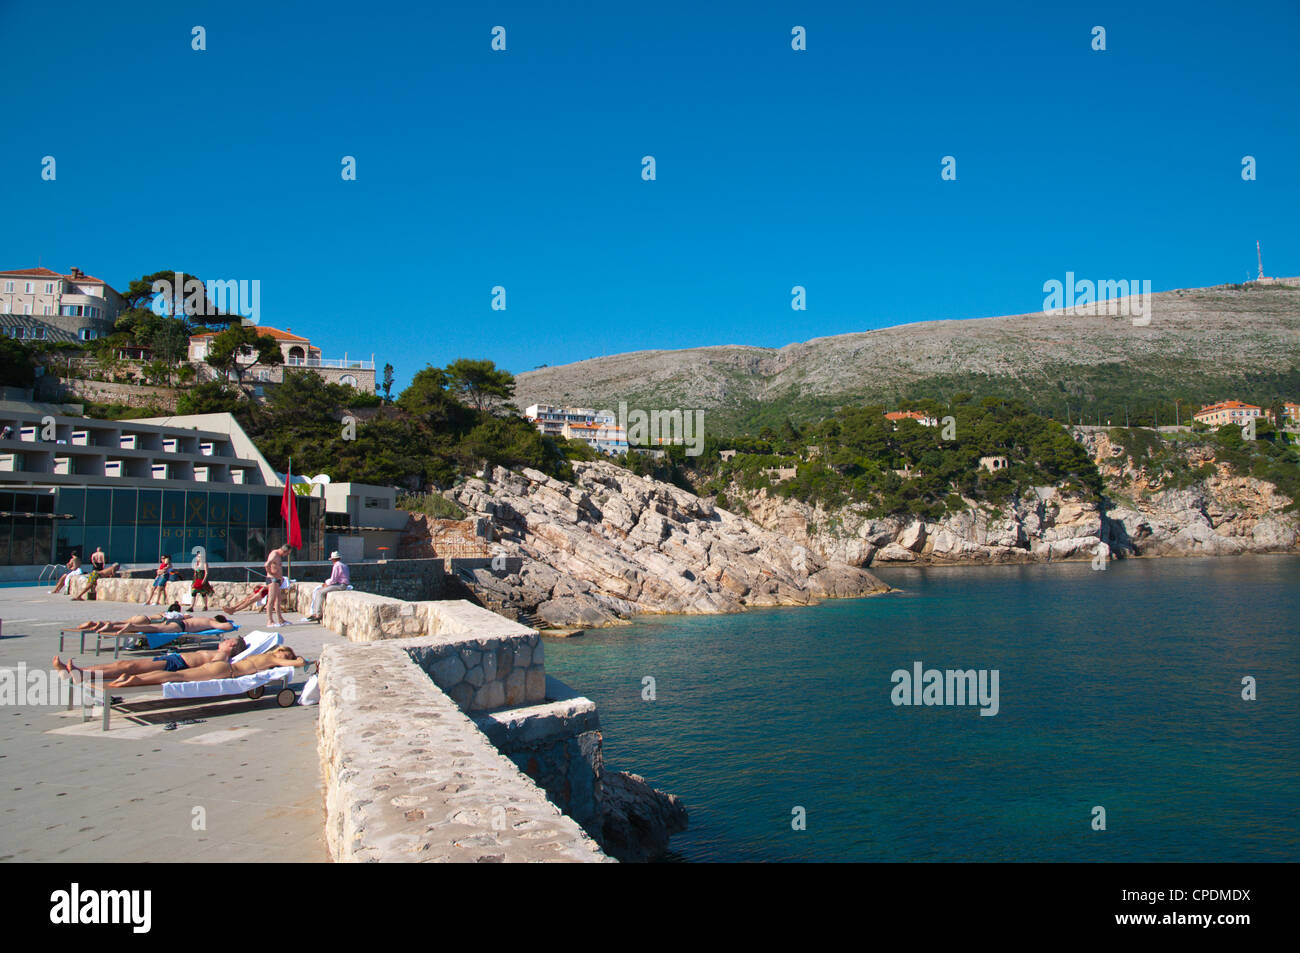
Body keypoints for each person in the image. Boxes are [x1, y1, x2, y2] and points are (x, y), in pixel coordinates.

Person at [54, 636, 248, 683]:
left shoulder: (222, 654)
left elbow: (215, 667)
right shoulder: (219, 651)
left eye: (228, 640)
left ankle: (81, 674)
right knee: (121, 665)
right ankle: (79, 671)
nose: (223, 641)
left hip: (175, 664)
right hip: (172, 659)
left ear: (232, 646)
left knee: (127, 666)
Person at [106, 644, 307, 687]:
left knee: (178, 676)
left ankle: (132, 678)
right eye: (285, 654)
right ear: (280, 652)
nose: (285, 657)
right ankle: (133, 680)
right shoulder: (272, 659)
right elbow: (297, 663)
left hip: (222, 665)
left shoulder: (260, 655)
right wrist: (302, 661)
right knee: (176, 677)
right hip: (226, 671)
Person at [74, 603, 185, 633]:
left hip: (142, 617)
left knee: (119, 622)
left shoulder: (164, 613)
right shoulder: (178, 615)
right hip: (147, 621)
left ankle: (95, 623)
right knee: (121, 626)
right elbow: (189, 617)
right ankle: (106, 626)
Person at [304, 551, 350, 622]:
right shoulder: (344, 565)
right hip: (343, 584)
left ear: (333, 559)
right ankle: (316, 612)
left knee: (320, 592)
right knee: (320, 591)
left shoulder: (337, 566)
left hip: (340, 585)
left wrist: (326, 583)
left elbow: (334, 579)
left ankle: (317, 613)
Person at [112, 614, 236, 636]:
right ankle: (133, 627)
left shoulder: (204, 617)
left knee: (156, 627)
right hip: (180, 627)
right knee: (155, 628)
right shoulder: (210, 622)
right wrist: (229, 624)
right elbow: (227, 627)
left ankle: (114, 626)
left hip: (178, 623)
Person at [264, 545, 290, 627]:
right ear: (284, 551)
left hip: (277, 579)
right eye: (287, 553)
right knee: (271, 600)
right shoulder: (274, 554)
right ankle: (270, 621)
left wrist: (280, 577)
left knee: (278, 600)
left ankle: (280, 619)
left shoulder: (278, 556)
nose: (286, 555)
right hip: (273, 579)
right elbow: (266, 564)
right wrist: (271, 573)